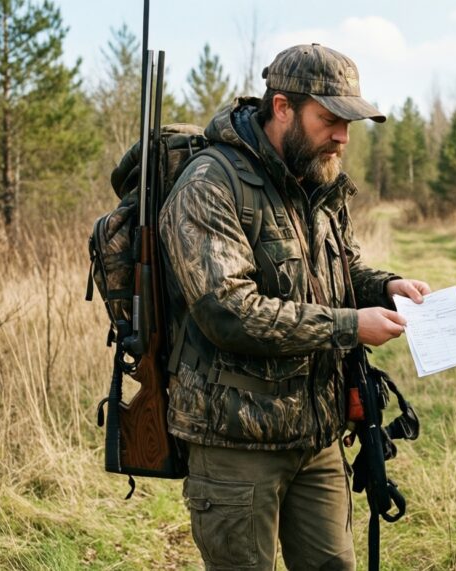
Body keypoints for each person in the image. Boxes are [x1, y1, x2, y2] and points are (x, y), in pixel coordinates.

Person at [159, 43, 430, 570]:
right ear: (282, 107)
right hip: (236, 442)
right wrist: (350, 326)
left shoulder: (318, 181)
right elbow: (228, 311)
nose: (343, 137)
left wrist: (387, 288)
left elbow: (342, 271)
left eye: (349, 124)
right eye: (330, 120)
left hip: (317, 436)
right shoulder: (210, 184)